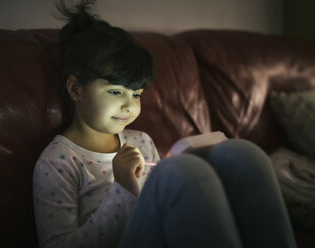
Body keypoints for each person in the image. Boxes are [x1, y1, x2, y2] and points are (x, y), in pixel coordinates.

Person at [32, 1, 296, 247]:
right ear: (76, 89)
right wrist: (122, 189)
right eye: (115, 92)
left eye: (136, 94)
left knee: (241, 154)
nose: (129, 105)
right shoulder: (59, 162)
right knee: (177, 172)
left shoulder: (141, 142)